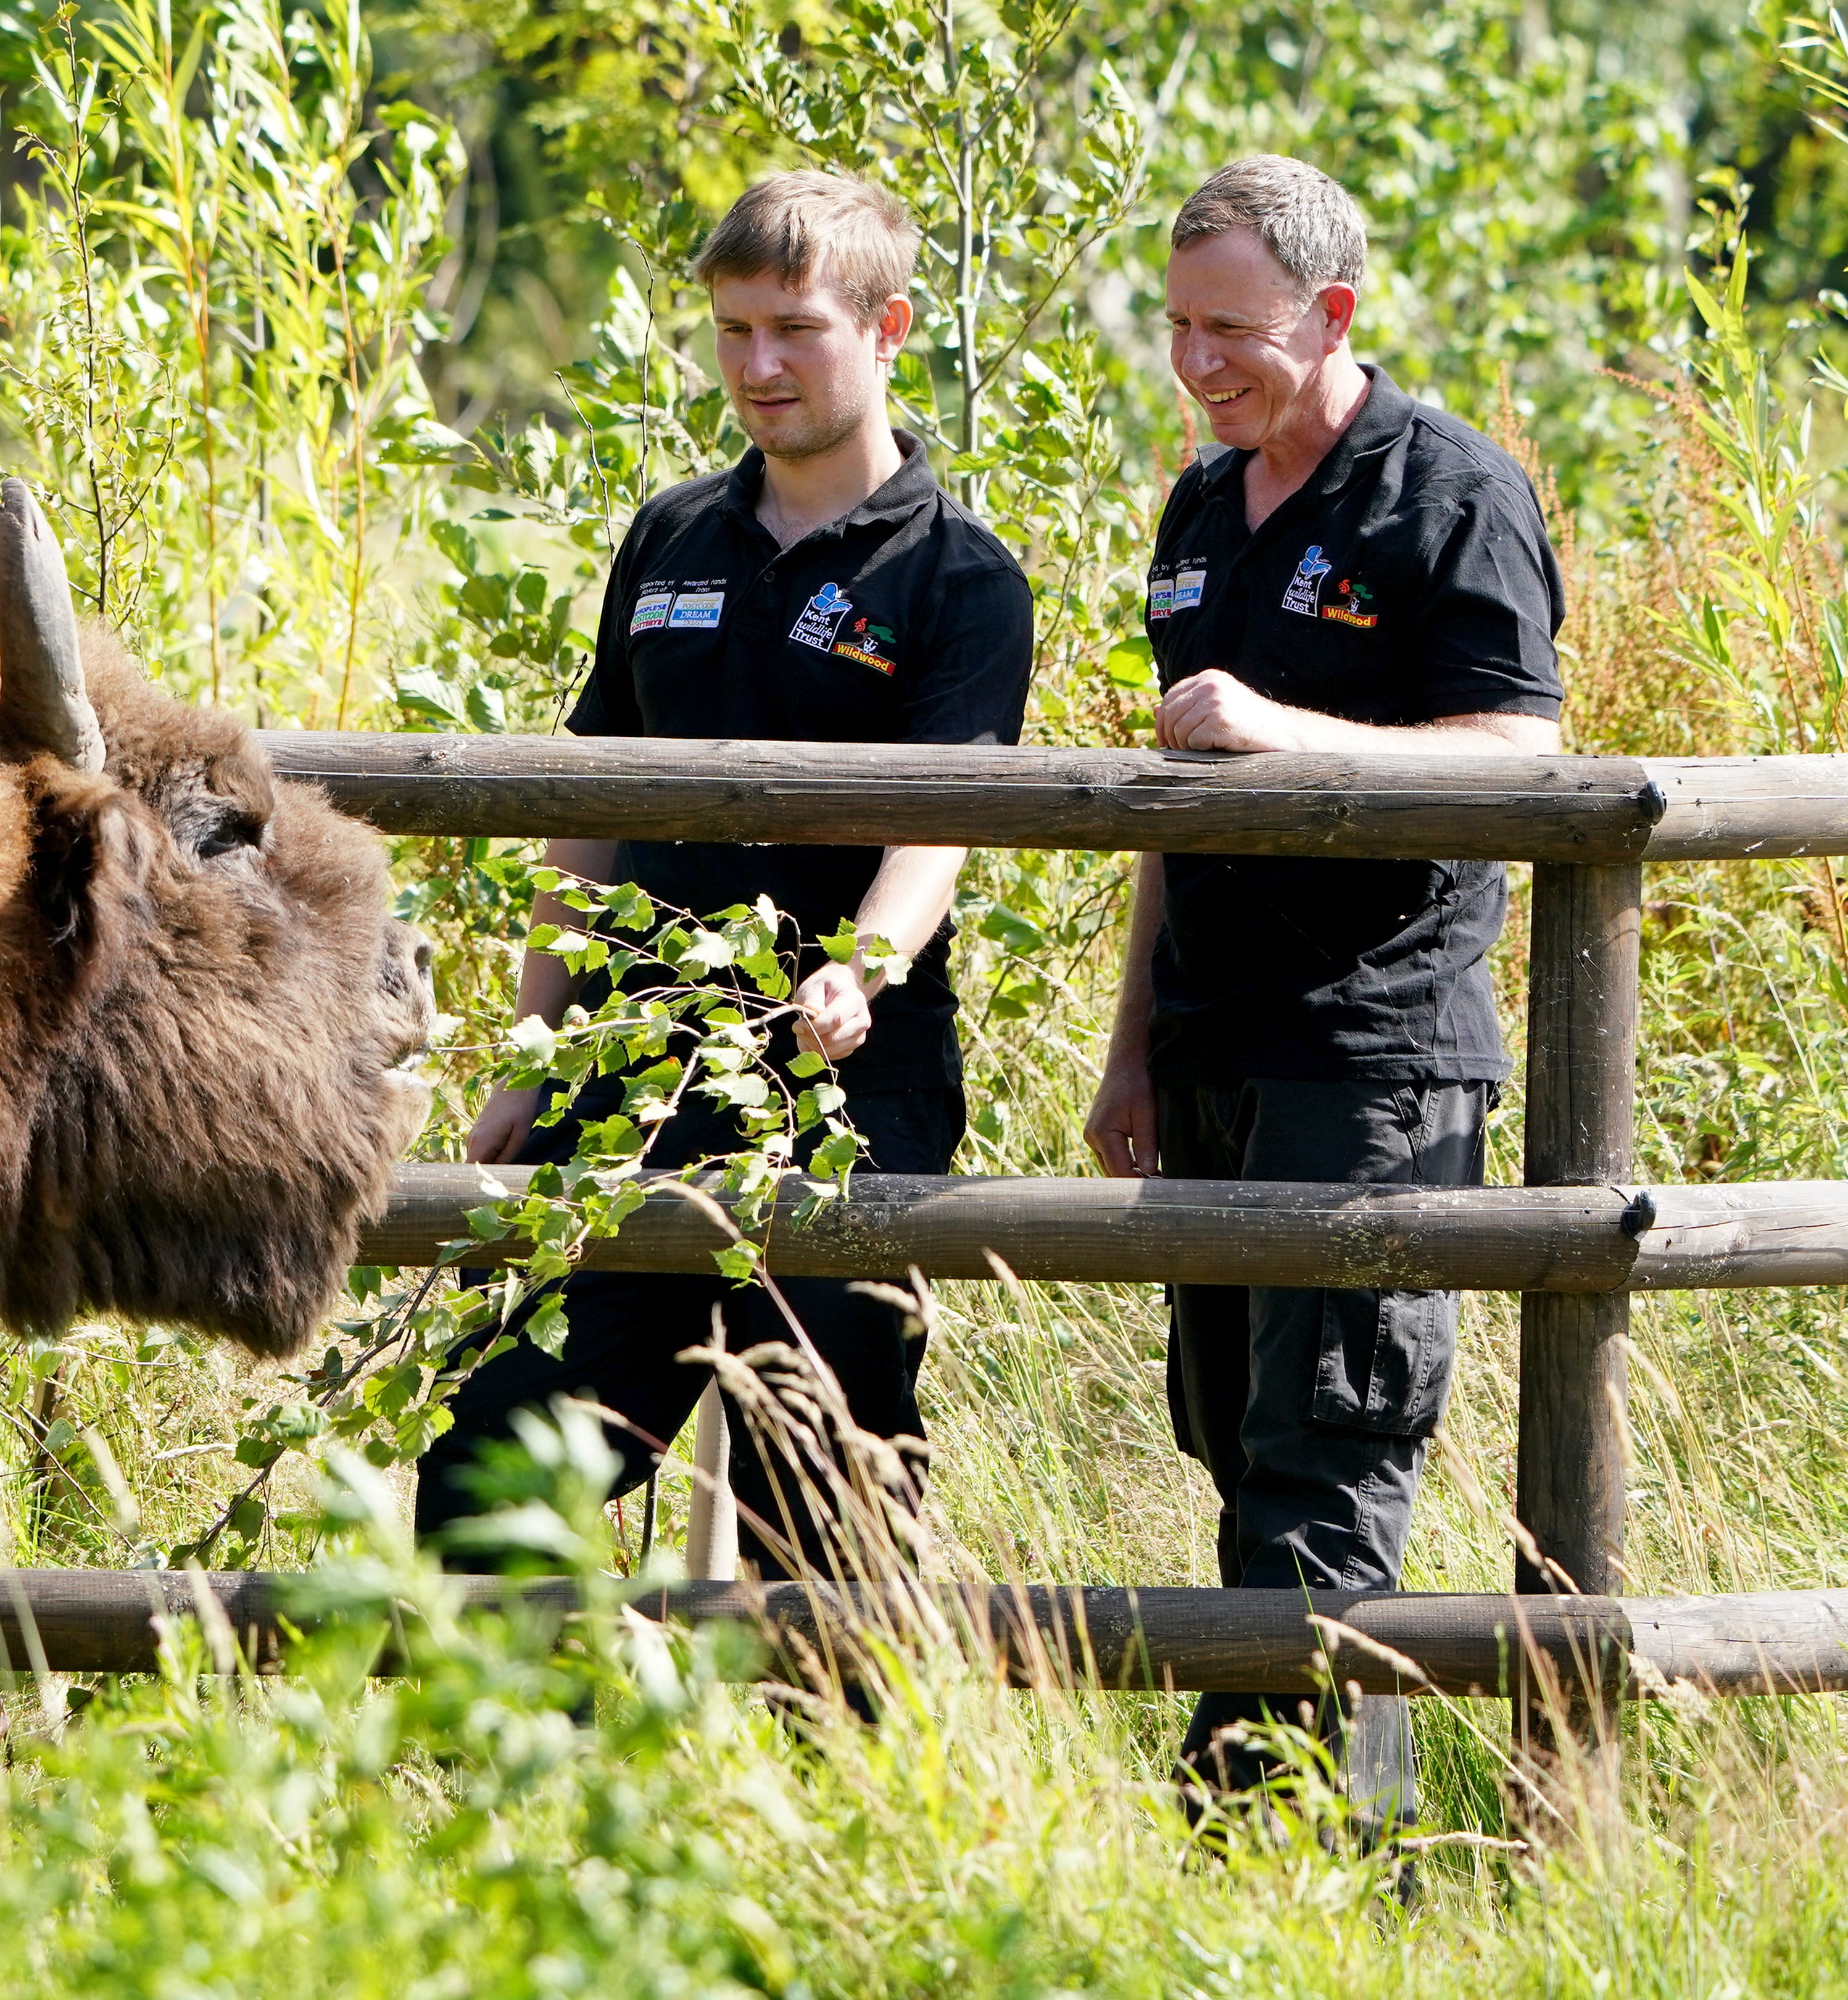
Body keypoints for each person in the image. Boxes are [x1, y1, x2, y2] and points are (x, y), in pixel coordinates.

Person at [415, 170, 1034, 1579]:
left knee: (820, 1488)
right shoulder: (672, 535)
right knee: (493, 1460)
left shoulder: (961, 577)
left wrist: (861, 970)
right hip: (633, 1070)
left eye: (795, 329)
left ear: (888, 331)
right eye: (734, 328)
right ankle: (551, 1783)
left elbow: (940, 822)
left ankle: (843, 1785)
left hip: (842, 1087)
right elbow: (588, 805)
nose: (757, 366)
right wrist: (532, 1054)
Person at [1080, 156, 1565, 1828]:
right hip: (1213, 1042)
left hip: (1371, 1053)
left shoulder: (1452, 496)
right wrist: (1131, 1047)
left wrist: (1294, 736)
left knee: (1329, 1447)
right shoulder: (1201, 506)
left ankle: (1289, 1845)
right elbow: (1169, 808)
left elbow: (1526, 755)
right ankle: (1299, 1816)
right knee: (1230, 1430)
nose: (1197, 362)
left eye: (1231, 330)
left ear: (1331, 311)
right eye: (1176, 327)